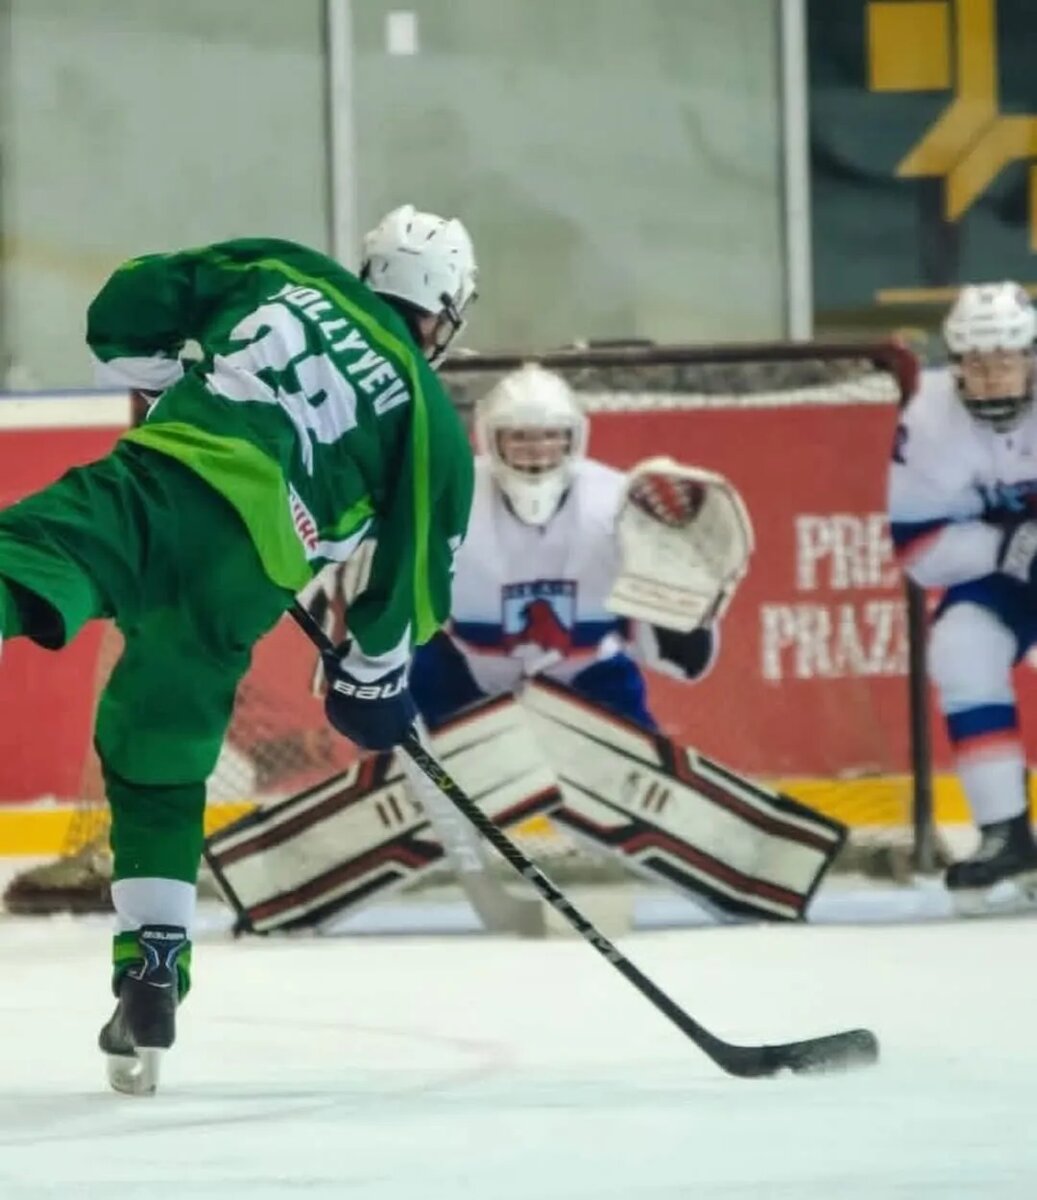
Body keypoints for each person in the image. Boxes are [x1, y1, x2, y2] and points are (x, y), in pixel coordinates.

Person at [0, 206, 477, 1093]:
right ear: (443, 308)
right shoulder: (428, 413)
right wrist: (372, 677)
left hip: (156, 485)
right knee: (160, 752)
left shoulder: (286, 269)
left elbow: (129, 302)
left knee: (21, 565)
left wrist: (167, 380)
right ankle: (152, 967)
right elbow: (414, 576)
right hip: (246, 575)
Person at [409, 363, 723, 731]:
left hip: (589, 678)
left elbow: (683, 660)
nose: (537, 451)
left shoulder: (621, 508)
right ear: (489, 439)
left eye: (551, 437)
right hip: (467, 674)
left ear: (575, 438)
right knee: (414, 690)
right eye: (519, 437)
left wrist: (681, 595)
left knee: (631, 743)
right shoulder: (445, 503)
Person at [888, 281, 1037, 898]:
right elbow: (918, 548)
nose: (991, 375)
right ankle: (1006, 835)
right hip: (1004, 574)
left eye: (1005, 359)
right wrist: (1008, 548)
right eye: (976, 362)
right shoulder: (928, 420)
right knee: (959, 648)